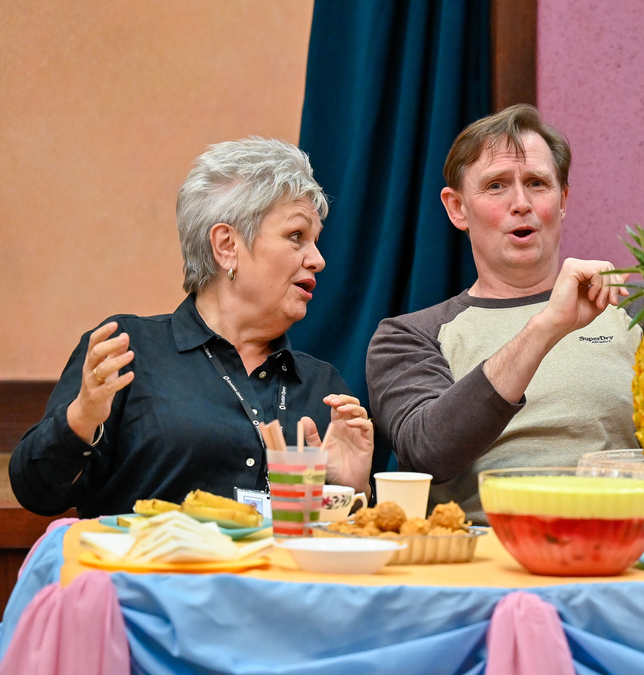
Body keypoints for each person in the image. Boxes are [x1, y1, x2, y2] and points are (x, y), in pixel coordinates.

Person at [11, 138, 374, 518]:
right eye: (296, 236)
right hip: (146, 576)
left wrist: (351, 490)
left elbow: (343, 542)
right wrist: (82, 418)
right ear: (226, 245)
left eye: (316, 241)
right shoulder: (128, 350)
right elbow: (36, 493)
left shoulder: (323, 387)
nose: (318, 260)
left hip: (279, 578)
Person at [367, 104, 643, 524]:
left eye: (537, 183)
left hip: (621, 546)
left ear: (563, 200)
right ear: (457, 208)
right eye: (496, 186)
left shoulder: (637, 313)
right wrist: (548, 326)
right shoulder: (408, 336)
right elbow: (428, 452)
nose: (521, 203)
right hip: (481, 558)